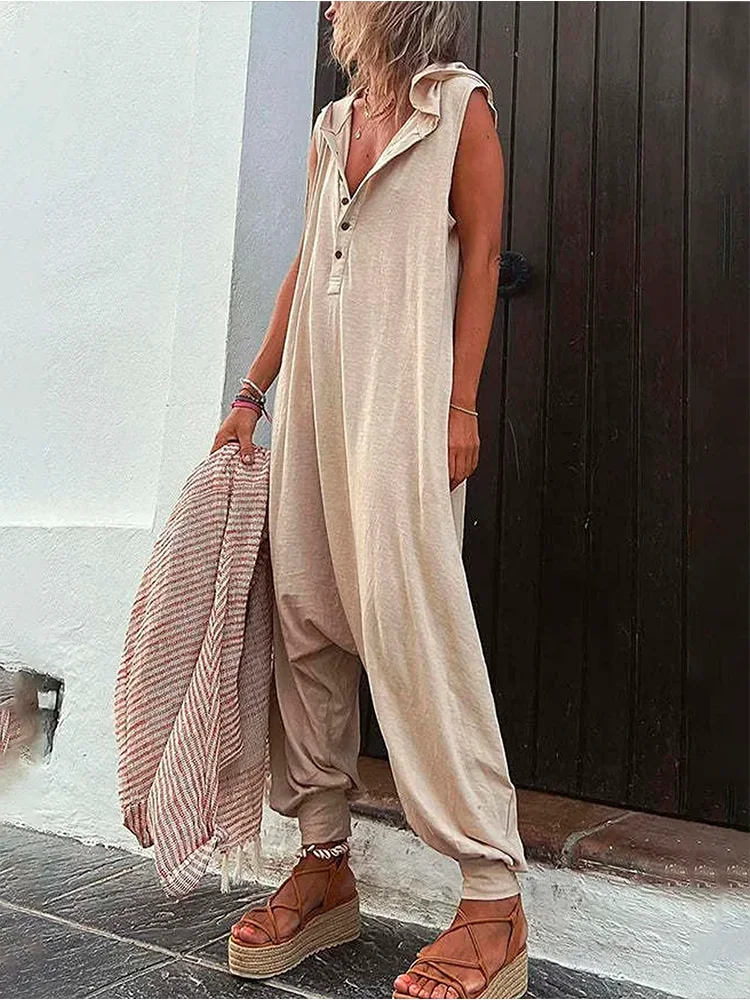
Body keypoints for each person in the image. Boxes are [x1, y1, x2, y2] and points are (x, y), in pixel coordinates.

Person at [211, 3, 529, 997]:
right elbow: (306, 265)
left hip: (404, 400)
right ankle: (323, 861)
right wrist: (252, 393)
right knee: (306, 610)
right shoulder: (331, 126)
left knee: (407, 616)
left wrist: (461, 405)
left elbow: (483, 256)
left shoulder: (459, 109)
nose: (333, 8)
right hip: (318, 394)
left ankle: (492, 896)